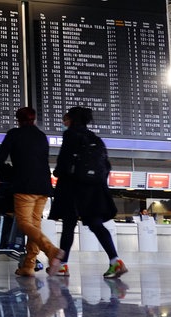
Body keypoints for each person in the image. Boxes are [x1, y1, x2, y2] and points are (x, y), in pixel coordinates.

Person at [48, 106, 127, 278]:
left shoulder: (70, 134)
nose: (64, 123)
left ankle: (62, 265)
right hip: (94, 189)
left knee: (68, 224)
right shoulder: (95, 138)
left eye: (65, 119)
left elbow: (64, 160)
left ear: (72, 120)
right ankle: (115, 261)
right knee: (96, 223)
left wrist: (57, 172)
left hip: (74, 188)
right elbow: (106, 165)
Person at [0, 107, 64, 277]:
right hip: (43, 186)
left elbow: (1, 156)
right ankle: (28, 266)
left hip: (24, 186)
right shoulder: (41, 136)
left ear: (18, 120)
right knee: (34, 225)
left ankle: (51, 250)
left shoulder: (14, 134)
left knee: (24, 224)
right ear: (34, 119)